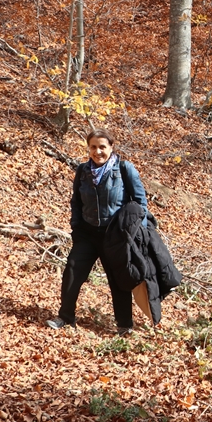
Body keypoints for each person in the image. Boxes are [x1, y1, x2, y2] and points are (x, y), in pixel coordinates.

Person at [48, 129, 148, 335]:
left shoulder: (124, 169)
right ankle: (66, 317)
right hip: (87, 234)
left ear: (111, 147)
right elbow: (76, 201)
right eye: (93, 147)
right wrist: (76, 227)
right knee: (72, 273)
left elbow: (140, 204)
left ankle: (124, 325)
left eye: (102, 147)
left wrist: (137, 235)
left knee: (118, 280)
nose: (98, 151)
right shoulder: (83, 170)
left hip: (115, 235)